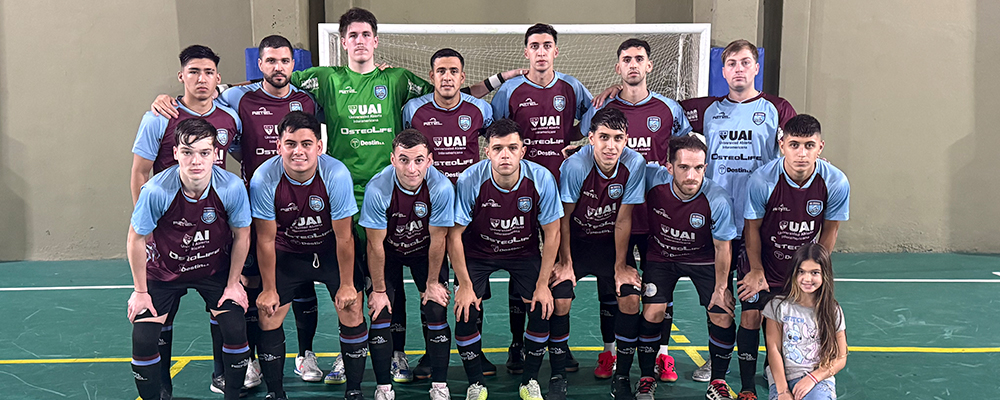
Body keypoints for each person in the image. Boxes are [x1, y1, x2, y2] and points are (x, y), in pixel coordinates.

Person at [289, 10, 520, 380]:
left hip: (410, 196)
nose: (360, 41)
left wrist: (500, 78)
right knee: (359, 283)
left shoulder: (397, 80)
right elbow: (274, 80)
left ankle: (425, 354)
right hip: (351, 197)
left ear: (376, 40)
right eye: (353, 35)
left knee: (420, 282)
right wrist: (213, 92)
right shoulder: (326, 78)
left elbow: (451, 93)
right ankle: (352, 352)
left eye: (366, 34)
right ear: (343, 41)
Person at [150, 35, 324, 389]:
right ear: (259, 65)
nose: (278, 67)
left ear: (294, 64)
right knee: (250, 283)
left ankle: (306, 354)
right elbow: (206, 99)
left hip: (299, 205)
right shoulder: (237, 98)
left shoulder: (307, 100)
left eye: (285, 61)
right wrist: (166, 98)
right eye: (270, 60)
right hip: (254, 205)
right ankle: (250, 362)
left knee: (300, 278)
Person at [680, 39, 797, 388]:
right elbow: (659, 109)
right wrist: (616, 91)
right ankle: (718, 360)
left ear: (756, 67)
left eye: (745, 62)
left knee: (758, 297)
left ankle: (770, 360)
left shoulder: (777, 107)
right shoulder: (706, 109)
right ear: (723, 70)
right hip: (717, 219)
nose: (739, 69)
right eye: (731, 63)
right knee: (719, 295)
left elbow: (796, 146)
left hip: (759, 220)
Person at [130, 44, 244, 397]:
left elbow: (241, 157)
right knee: (158, 319)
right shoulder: (159, 117)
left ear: (218, 78)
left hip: (212, 232)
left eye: (208, 72)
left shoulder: (230, 119)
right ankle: (162, 385)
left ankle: (222, 375)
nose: (201, 79)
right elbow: (140, 173)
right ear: (181, 76)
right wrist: (149, 227)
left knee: (225, 314)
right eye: (194, 71)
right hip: (169, 233)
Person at [578, 38, 692, 381]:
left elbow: (684, 154)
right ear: (618, 67)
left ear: (649, 65)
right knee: (612, 286)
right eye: (626, 59)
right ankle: (610, 353)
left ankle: (662, 355)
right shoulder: (602, 109)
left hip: (658, 216)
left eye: (639, 59)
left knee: (661, 288)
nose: (632, 65)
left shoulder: (669, 110)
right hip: (615, 216)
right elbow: (585, 146)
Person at [490, 22, 592, 374]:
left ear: (556, 51)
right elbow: (497, 132)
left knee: (560, 266)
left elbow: (592, 119)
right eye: (534, 45)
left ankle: (559, 345)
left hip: (561, 190)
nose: (541, 51)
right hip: (520, 189)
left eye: (547, 45)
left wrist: (578, 142)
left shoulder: (572, 87)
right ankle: (517, 343)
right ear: (526, 52)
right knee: (522, 263)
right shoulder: (510, 91)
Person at [249, 112, 367, 400]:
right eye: (290, 144)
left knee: (352, 309)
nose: (298, 151)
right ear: (279, 146)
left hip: (329, 251)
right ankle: (276, 393)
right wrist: (268, 288)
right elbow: (265, 239)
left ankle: (354, 391)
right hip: (287, 253)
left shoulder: (336, 174)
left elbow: (344, 237)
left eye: (306, 144)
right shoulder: (264, 178)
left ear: (319, 147)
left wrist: (347, 284)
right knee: (268, 313)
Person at [732, 114, 849, 400]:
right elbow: (752, 228)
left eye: (809, 145)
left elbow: (830, 231)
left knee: (800, 319)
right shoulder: (763, 180)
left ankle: (786, 370)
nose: (801, 153)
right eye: (794, 144)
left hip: (800, 266)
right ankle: (747, 387)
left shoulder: (835, 182)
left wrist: (815, 270)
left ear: (820, 147)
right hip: (763, 260)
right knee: (751, 315)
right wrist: (756, 270)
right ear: (782, 145)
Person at [402, 48, 497, 380]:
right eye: (440, 71)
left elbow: (496, 144)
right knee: (434, 285)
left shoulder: (480, 110)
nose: (447, 77)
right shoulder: (413, 110)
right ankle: (432, 354)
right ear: (431, 76)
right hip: (429, 209)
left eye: (453, 71)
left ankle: (475, 352)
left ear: (462, 76)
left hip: (471, 211)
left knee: (473, 284)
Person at [450, 119, 562, 400]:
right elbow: (454, 235)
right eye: (498, 148)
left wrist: (542, 285)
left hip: (523, 252)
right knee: (465, 309)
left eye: (512, 148)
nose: (505, 155)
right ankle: (476, 384)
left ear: (523, 151)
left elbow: (552, 233)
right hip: (479, 253)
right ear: (487, 151)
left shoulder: (541, 178)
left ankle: (530, 381)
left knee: (541, 306)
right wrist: (465, 285)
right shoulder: (470, 179)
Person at [551, 106, 645, 399]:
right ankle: (557, 374)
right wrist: (565, 261)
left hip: (609, 243)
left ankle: (621, 373)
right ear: (591, 138)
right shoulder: (575, 166)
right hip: (577, 243)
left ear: (626, 139)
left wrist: (621, 265)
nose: (610, 146)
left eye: (617, 138)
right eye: (603, 137)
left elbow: (624, 219)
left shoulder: (635, 163)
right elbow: (563, 218)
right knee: (560, 297)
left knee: (630, 297)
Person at [639, 135, 737, 400]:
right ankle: (646, 378)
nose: (691, 175)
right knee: (652, 312)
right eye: (683, 167)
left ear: (706, 167)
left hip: (703, 259)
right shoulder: (653, 180)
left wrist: (721, 288)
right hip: (662, 256)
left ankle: (718, 381)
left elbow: (723, 247)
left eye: (698, 168)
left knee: (722, 313)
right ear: (669, 167)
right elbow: (620, 164)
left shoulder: (717, 199)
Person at [360, 129, 455, 399]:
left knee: (435, 308)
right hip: (387, 253)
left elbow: (439, 239)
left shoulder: (441, 188)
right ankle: (384, 387)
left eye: (418, 160)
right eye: (404, 160)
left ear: (429, 160)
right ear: (393, 159)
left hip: (424, 252)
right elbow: (374, 245)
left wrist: (432, 283)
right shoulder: (378, 189)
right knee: (381, 311)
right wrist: (379, 291)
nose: (411, 169)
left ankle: (440, 386)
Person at [763, 243, 848, 400]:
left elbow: (841, 357)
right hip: (783, 380)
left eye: (815, 272)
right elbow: (773, 349)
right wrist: (783, 391)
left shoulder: (833, 310)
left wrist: (813, 378)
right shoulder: (778, 306)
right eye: (801, 272)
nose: (807, 279)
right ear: (794, 273)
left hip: (818, 379)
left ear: (825, 275)